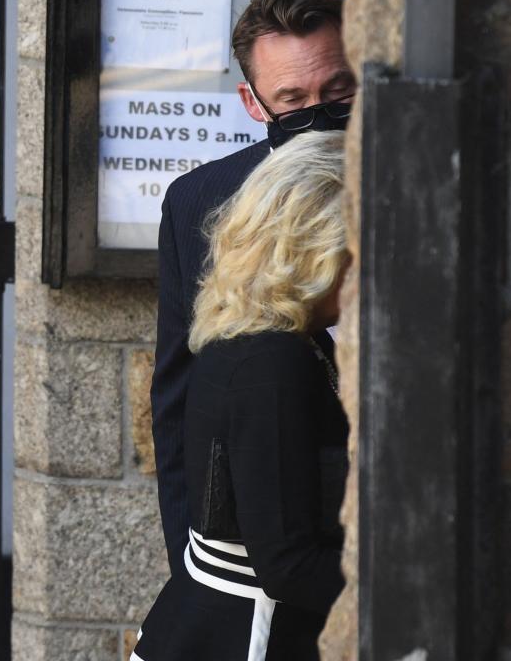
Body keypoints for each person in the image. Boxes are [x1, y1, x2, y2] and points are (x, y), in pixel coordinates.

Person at [151, 0, 355, 572]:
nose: (320, 116)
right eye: (292, 101)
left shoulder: (419, 185)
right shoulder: (200, 202)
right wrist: (193, 569)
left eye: (338, 90)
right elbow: (177, 403)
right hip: (264, 558)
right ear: (252, 103)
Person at [133, 131, 350, 660]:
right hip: (252, 634)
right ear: (316, 250)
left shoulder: (258, 333)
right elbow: (287, 564)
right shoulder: (270, 362)